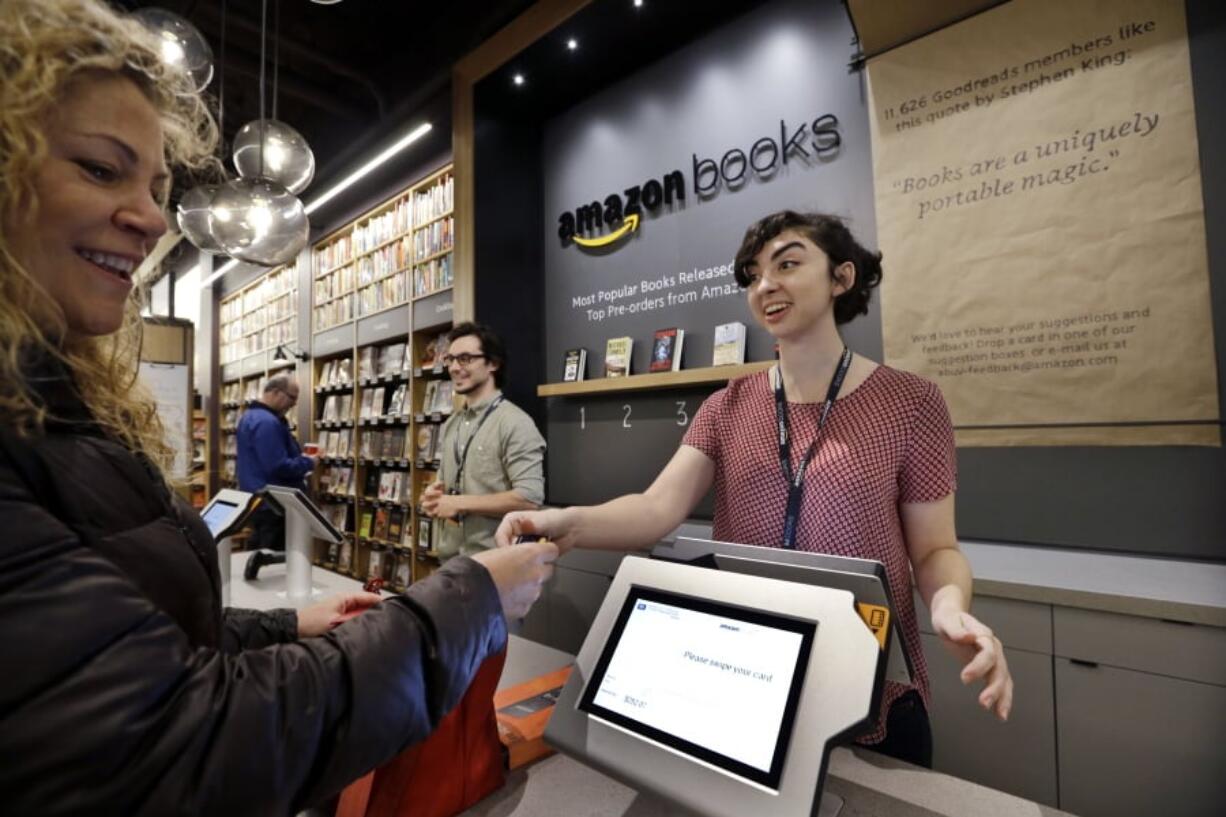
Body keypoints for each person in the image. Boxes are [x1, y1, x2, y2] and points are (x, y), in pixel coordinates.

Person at [0, 1, 557, 813]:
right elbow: (183, 734)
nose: (152, 217)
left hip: (467, 570)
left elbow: (134, 650)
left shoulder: (53, 409)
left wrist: (279, 629)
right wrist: (457, 596)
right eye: (99, 167)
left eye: (156, 185)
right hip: (456, 576)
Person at [498, 210, 1014, 768]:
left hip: (864, 678)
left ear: (841, 278)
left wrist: (950, 606)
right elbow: (656, 507)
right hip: (745, 677)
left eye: (788, 264)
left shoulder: (910, 402)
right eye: (753, 274)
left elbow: (935, 549)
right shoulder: (728, 405)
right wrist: (567, 521)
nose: (765, 285)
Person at [421, 322, 546, 558]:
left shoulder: (515, 423)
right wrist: (435, 496)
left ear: (493, 363)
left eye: (466, 358)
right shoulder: (452, 424)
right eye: (451, 359)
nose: (455, 367)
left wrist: (459, 503)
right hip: (450, 559)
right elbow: (445, 487)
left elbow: (529, 499)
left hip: (497, 564)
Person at [237, 373, 314, 579]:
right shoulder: (267, 422)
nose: (293, 404)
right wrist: (309, 461)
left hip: (258, 498)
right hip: (274, 502)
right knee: (272, 562)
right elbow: (277, 466)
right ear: (276, 393)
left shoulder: (250, 417)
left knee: (259, 550)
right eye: (292, 398)